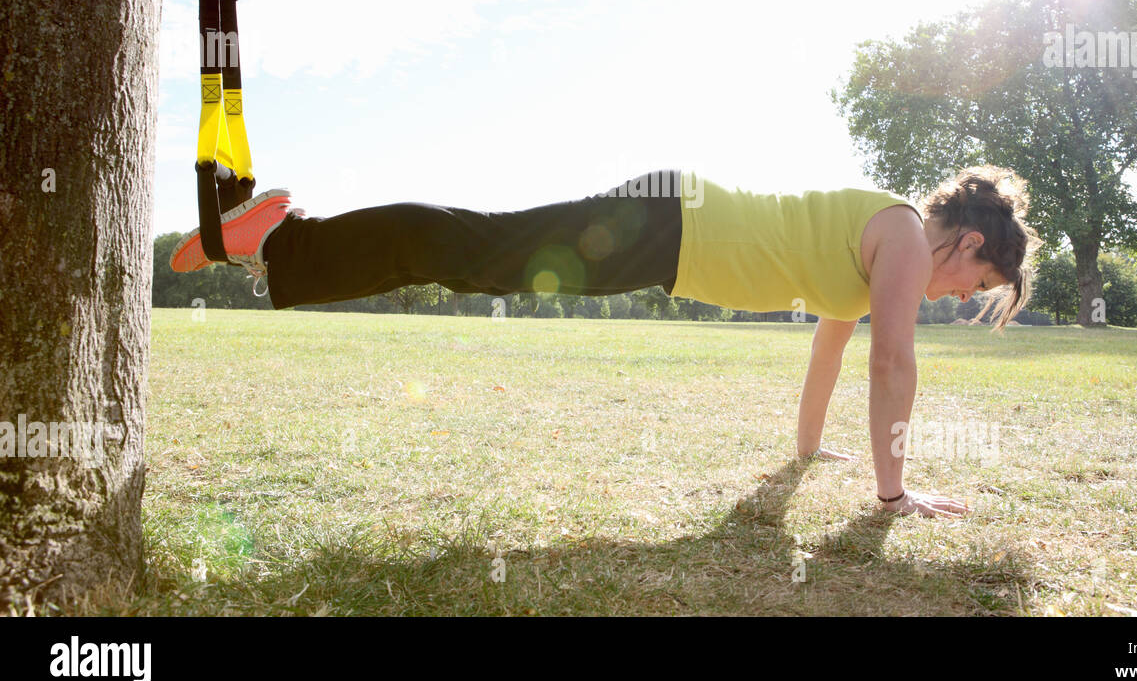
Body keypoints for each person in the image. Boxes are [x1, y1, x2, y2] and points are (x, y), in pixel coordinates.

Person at [170, 165, 1040, 519]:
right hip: (665, 227)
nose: (964, 296)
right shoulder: (895, 231)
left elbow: (834, 350)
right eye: (979, 284)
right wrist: (895, 499)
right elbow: (893, 361)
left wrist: (811, 453)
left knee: (481, 255)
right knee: (478, 250)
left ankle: (279, 240)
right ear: (967, 245)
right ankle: (281, 235)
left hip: (665, 233)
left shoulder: (876, 248)